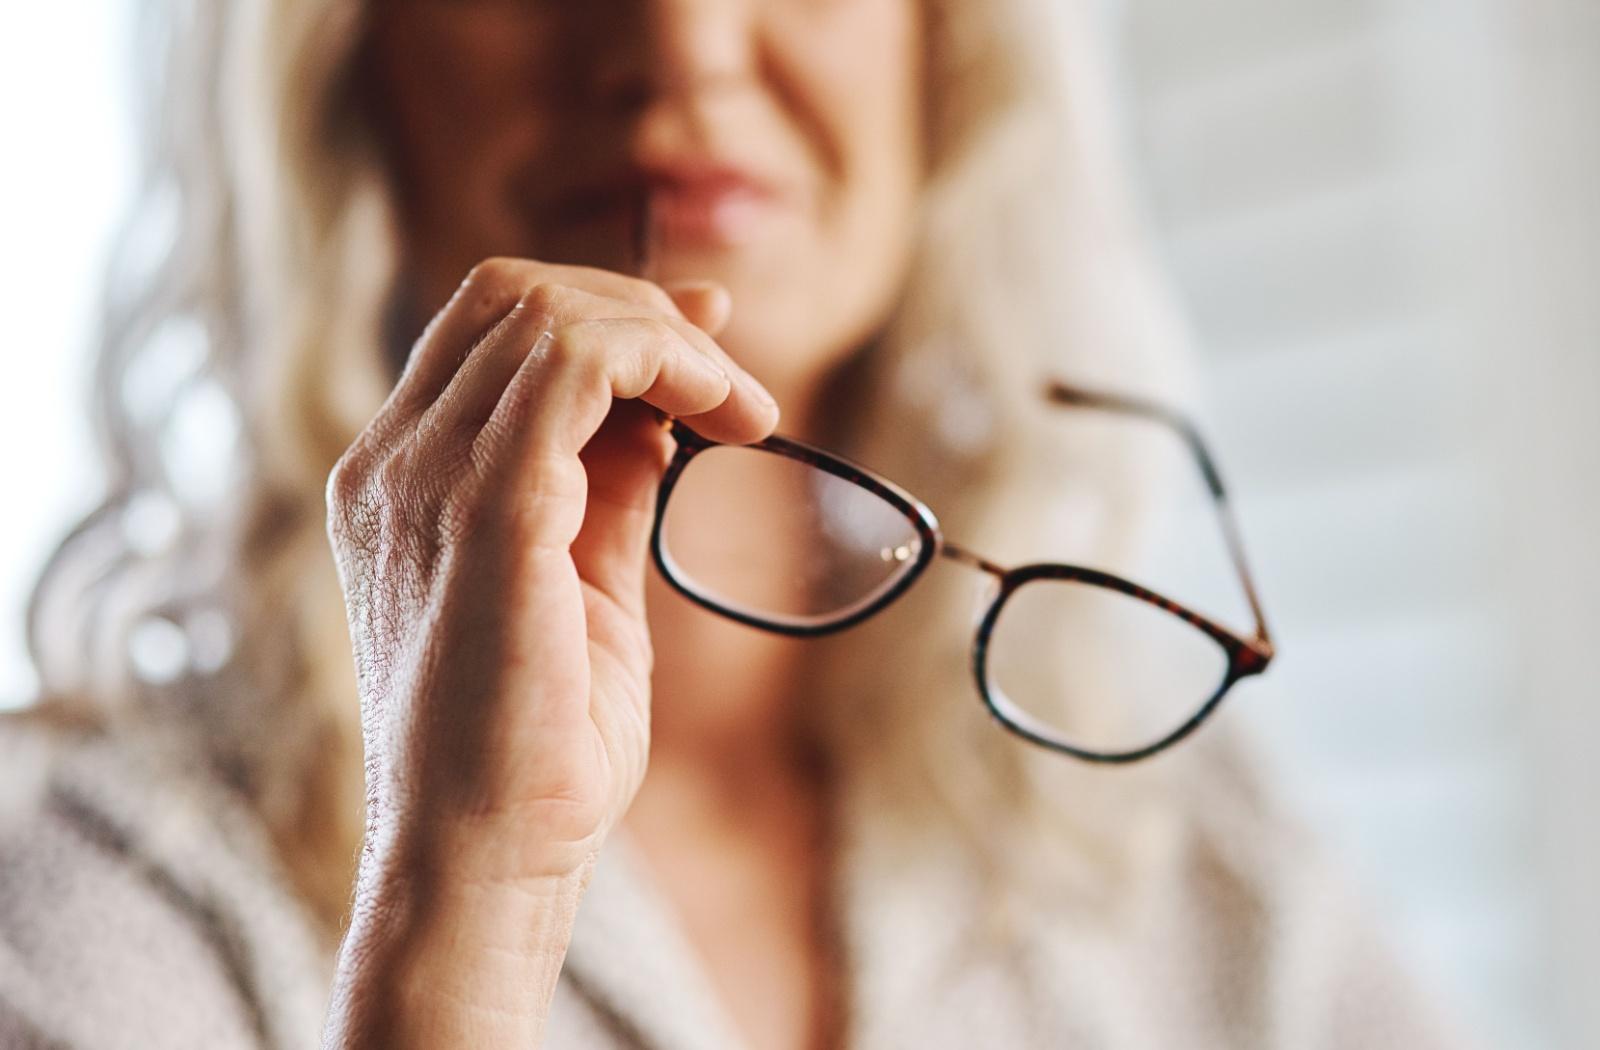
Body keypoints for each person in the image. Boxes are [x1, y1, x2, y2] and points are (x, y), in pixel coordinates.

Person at [0, 1, 1457, 1048]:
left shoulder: (1179, 861)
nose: (683, 44)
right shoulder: (98, 896)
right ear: (346, 64)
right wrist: (456, 915)